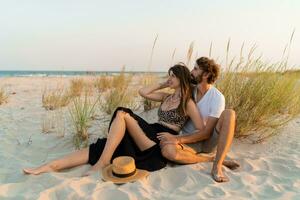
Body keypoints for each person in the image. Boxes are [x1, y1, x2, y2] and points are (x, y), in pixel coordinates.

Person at [23, 64, 213, 176]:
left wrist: (177, 140)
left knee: (122, 113)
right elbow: (143, 92)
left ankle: (103, 162)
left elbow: (201, 130)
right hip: (148, 132)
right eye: (168, 75)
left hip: (158, 142)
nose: (169, 78)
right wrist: (165, 83)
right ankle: (46, 167)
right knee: (99, 147)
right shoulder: (166, 96)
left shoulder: (188, 103)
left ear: (181, 77)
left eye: (173, 76)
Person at [158, 57, 237, 183]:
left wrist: (176, 139)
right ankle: (210, 159)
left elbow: (206, 133)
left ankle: (217, 166)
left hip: (208, 140)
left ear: (206, 74)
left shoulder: (217, 97)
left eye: (195, 69)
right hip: (190, 141)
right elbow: (170, 86)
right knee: (167, 151)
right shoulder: (189, 90)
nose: (191, 72)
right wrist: (163, 84)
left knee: (230, 114)